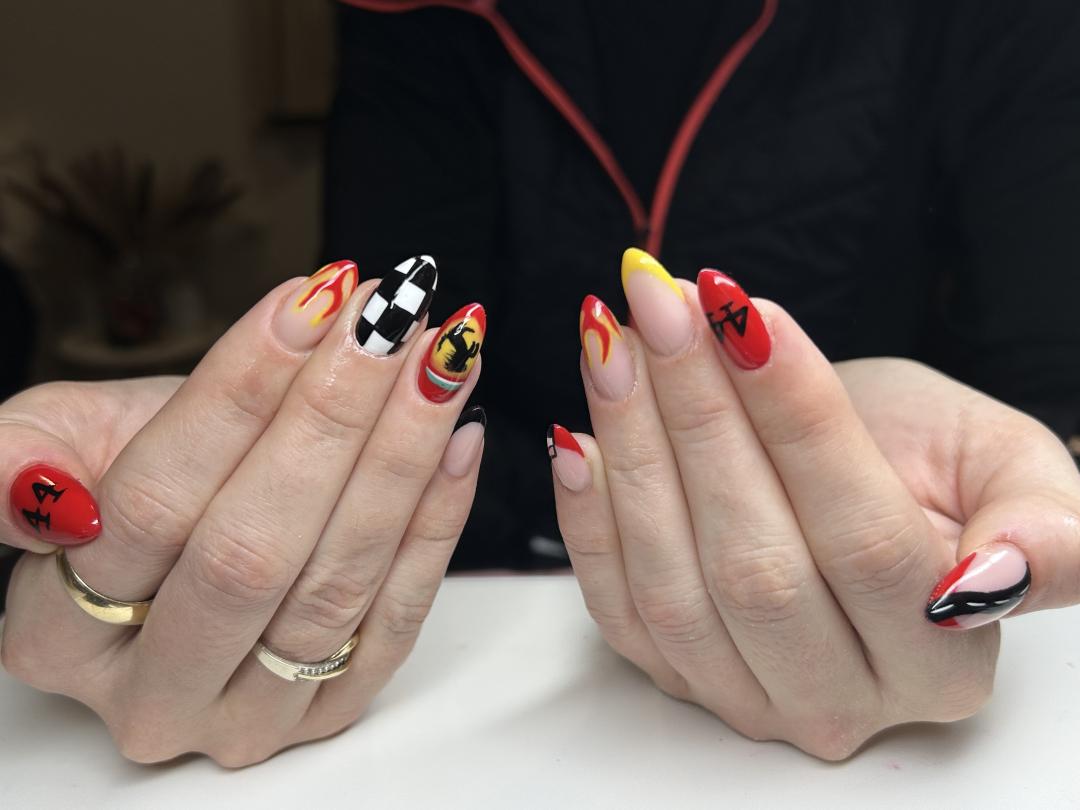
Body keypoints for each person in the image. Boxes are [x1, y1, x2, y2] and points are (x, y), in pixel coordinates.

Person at [1, 0, 1078, 766]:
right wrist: (239, 485)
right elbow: (409, 374)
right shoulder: (412, 18)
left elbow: (1044, 388)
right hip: (470, 688)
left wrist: (974, 489)